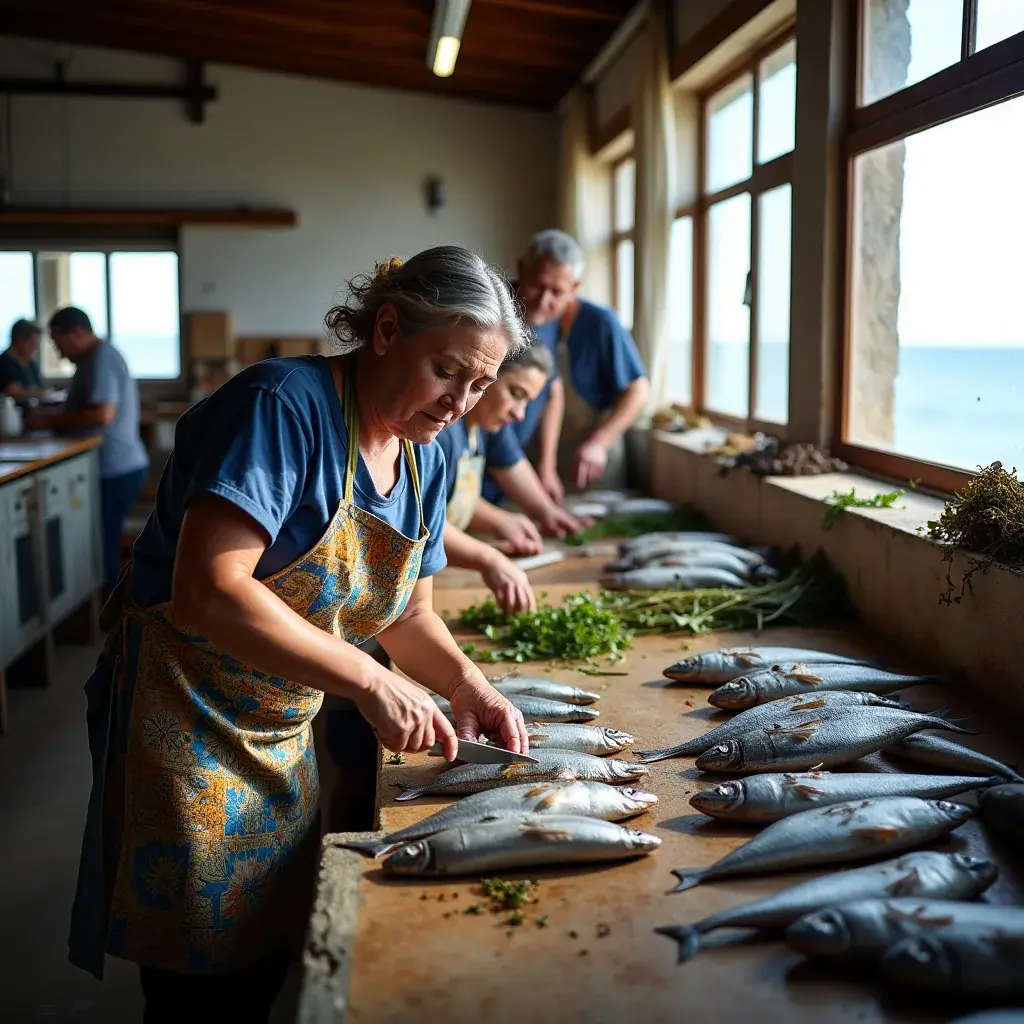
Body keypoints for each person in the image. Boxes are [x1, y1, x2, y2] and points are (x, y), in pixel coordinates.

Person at [67, 246, 530, 1023]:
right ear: (387, 330)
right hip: (184, 722)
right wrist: (372, 679)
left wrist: (465, 685)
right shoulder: (281, 407)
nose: (462, 401)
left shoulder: (428, 452)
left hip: (283, 726)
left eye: (481, 382)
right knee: (198, 983)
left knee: (263, 950)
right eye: (449, 370)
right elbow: (210, 589)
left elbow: (407, 614)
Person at [436, 343, 586, 614]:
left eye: (527, 401)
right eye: (515, 394)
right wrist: (489, 557)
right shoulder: (440, 435)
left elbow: (450, 500)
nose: (520, 414)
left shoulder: (480, 429)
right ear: (487, 376)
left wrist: (545, 514)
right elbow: (422, 522)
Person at [506, 228, 650, 504]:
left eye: (557, 292)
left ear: (574, 289)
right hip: (525, 460)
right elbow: (553, 393)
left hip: (590, 460)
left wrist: (599, 442)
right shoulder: (501, 310)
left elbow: (639, 389)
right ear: (521, 270)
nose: (544, 299)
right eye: (538, 284)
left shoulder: (600, 322)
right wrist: (546, 466)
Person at [25, 307, 149, 591]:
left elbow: (102, 415)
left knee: (101, 542)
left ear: (78, 333)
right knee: (99, 539)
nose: (59, 352)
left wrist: (48, 419)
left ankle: (108, 617)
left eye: (59, 343)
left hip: (114, 468)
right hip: (114, 465)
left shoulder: (102, 359)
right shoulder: (92, 359)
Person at [0, 318, 44, 403]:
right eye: (32, 344)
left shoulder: (32, 364)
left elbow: (39, 390)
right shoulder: (3, 365)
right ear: (20, 341)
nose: (36, 348)